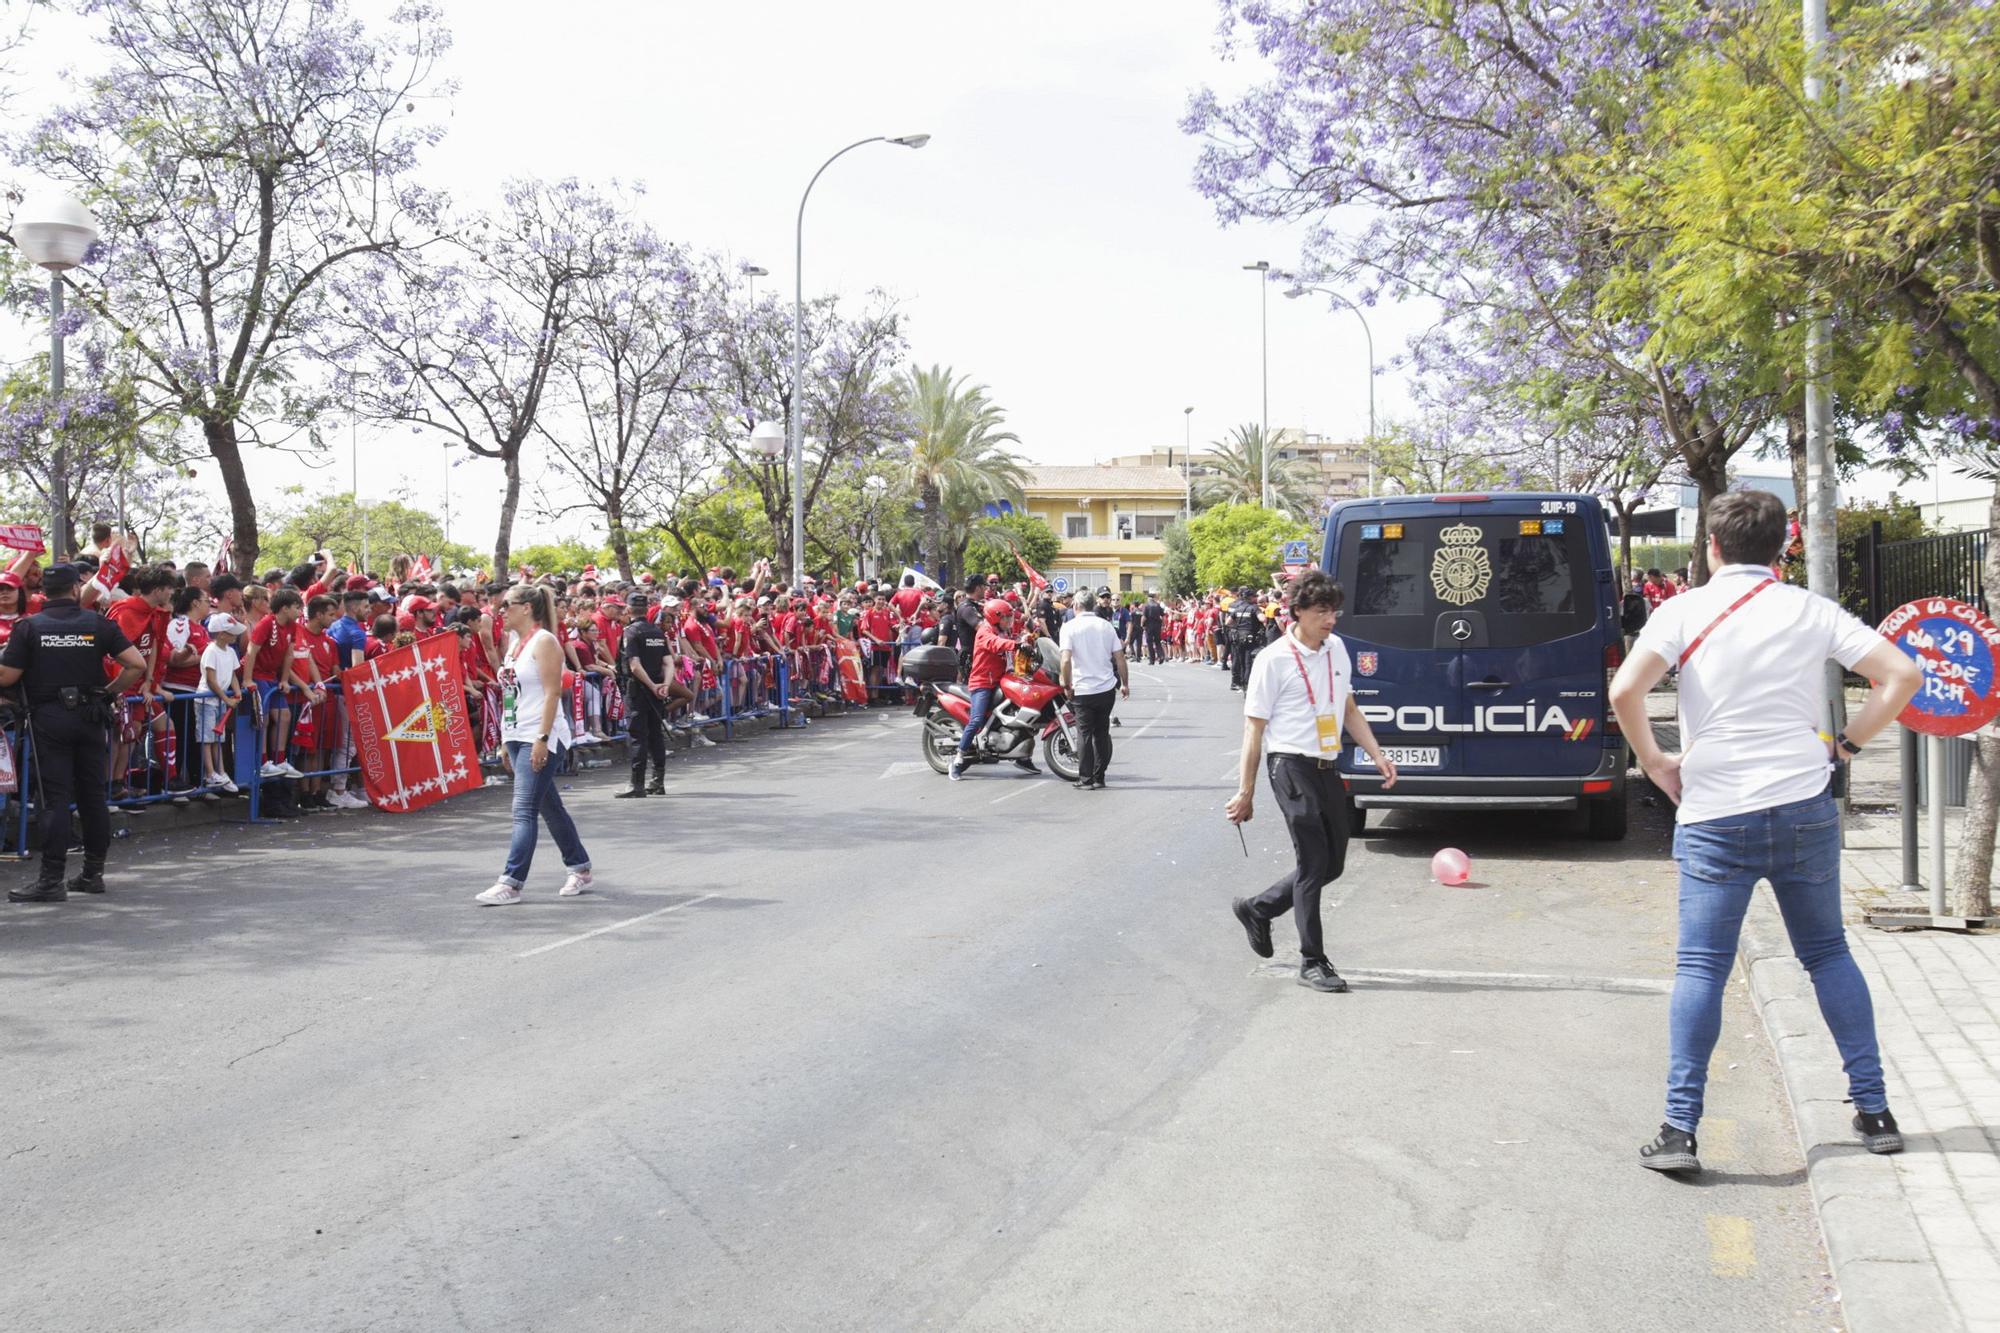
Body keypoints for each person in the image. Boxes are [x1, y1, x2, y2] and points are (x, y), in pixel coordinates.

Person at [1609, 489, 1923, 1174]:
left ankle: (1680, 1129)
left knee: (1701, 968)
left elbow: (1626, 691)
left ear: (1712, 545)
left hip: (1715, 811)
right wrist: (1849, 742)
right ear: (1784, 545)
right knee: (1828, 954)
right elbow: (1900, 673)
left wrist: (1655, 761)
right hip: (1803, 805)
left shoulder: (1683, 609)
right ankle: (1874, 1111)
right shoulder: (1809, 608)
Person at [1225, 571, 1397, 993]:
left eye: (1334, 612)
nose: (1330, 620)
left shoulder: (1337, 649)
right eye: (1321, 612)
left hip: (1327, 765)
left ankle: (1258, 908)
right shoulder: (1273, 660)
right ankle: (1312, 960)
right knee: (1313, 862)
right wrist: (1245, 792)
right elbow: (1254, 730)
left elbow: (1349, 708)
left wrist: (1376, 753)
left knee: (1333, 865)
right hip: (1289, 766)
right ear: (1297, 612)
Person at [0, 563, 148, 901]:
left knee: (54, 800)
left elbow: (6, 677)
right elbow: (136, 665)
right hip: (90, 717)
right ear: (75, 590)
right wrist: (107, 693)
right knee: (92, 797)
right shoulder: (97, 623)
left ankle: (51, 881)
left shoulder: (29, 628)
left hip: (48, 719)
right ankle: (92, 874)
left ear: (42, 593)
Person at [477, 584, 593, 905]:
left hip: (539, 735)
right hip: (517, 733)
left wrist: (542, 738)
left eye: (508, 605)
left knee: (523, 809)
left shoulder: (545, 642)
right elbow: (511, 695)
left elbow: (553, 693)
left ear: (527, 607)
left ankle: (511, 882)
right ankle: (580, 867)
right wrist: (504, 739)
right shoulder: (516, 644)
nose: (502, 611)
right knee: (548, 806)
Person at [950, 598, 1037, 781]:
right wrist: (1017, 645)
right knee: (976, 720)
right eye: (1006, 617)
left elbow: (1013, 638)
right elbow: (995, 644)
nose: (1009, 621)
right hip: (982, 683)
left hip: (1001, 679)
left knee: (1020, 711)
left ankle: (1022, 756)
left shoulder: (1003, 630)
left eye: (1009, 617)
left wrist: (1027, 639)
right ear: (995, 618)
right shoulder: (985, 632)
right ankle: (958, 758)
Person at [1058, 590, 1128, 790]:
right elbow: (1120, 657)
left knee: (1084, 734)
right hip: (1106, 688)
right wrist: (1125, 683)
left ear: (1075, 606)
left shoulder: (1069, 627)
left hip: (1082, 689)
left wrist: (1067, 684)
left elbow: (1065, 660)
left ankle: (1086, 779)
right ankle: (1099, 777)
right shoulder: (1106, 626)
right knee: (1102, 733)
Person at [617, 590, 672, 798]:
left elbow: (634, 665)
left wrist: (651, 686)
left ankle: (636, 784)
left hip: (639, 690)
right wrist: (664, 685)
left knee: (638, 736)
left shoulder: (630, 632)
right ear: (647, 609)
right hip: (657, 690)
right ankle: (658, 782)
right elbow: (668, 662)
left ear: (629, 609)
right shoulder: (657, 632)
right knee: (656, 734)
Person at [198, 612, 247, 793]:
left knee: (218, 739)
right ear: (221, 634)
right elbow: (211, 679)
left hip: (220, 701)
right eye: (231, 632)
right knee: (207, 739)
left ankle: (221, 771)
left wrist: (236, 691)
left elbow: (233, 674)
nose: (235, 635)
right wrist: (226, 698)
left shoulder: (231, 651)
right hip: (207, 700)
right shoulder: (210, 651)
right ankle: (210, 773)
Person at [1226, 587, 1261, 691]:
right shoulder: (1254, 607)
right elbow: (1262, 618)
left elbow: (1227, 622)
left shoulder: (1235, 606)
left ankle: (1237, 683)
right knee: (1248, 662)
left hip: (1237, 636)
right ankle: (1246, 685)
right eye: (1255, 596)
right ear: (1250, 597)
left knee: (1238, 660)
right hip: (1249, 636)